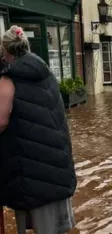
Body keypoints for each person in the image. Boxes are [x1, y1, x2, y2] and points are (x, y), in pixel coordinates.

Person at [0, 26, 77, 233]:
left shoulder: (9, 79)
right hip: (56, 168)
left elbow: (0, 121)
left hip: (32, 175)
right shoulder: (45, 73)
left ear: (5, 52)